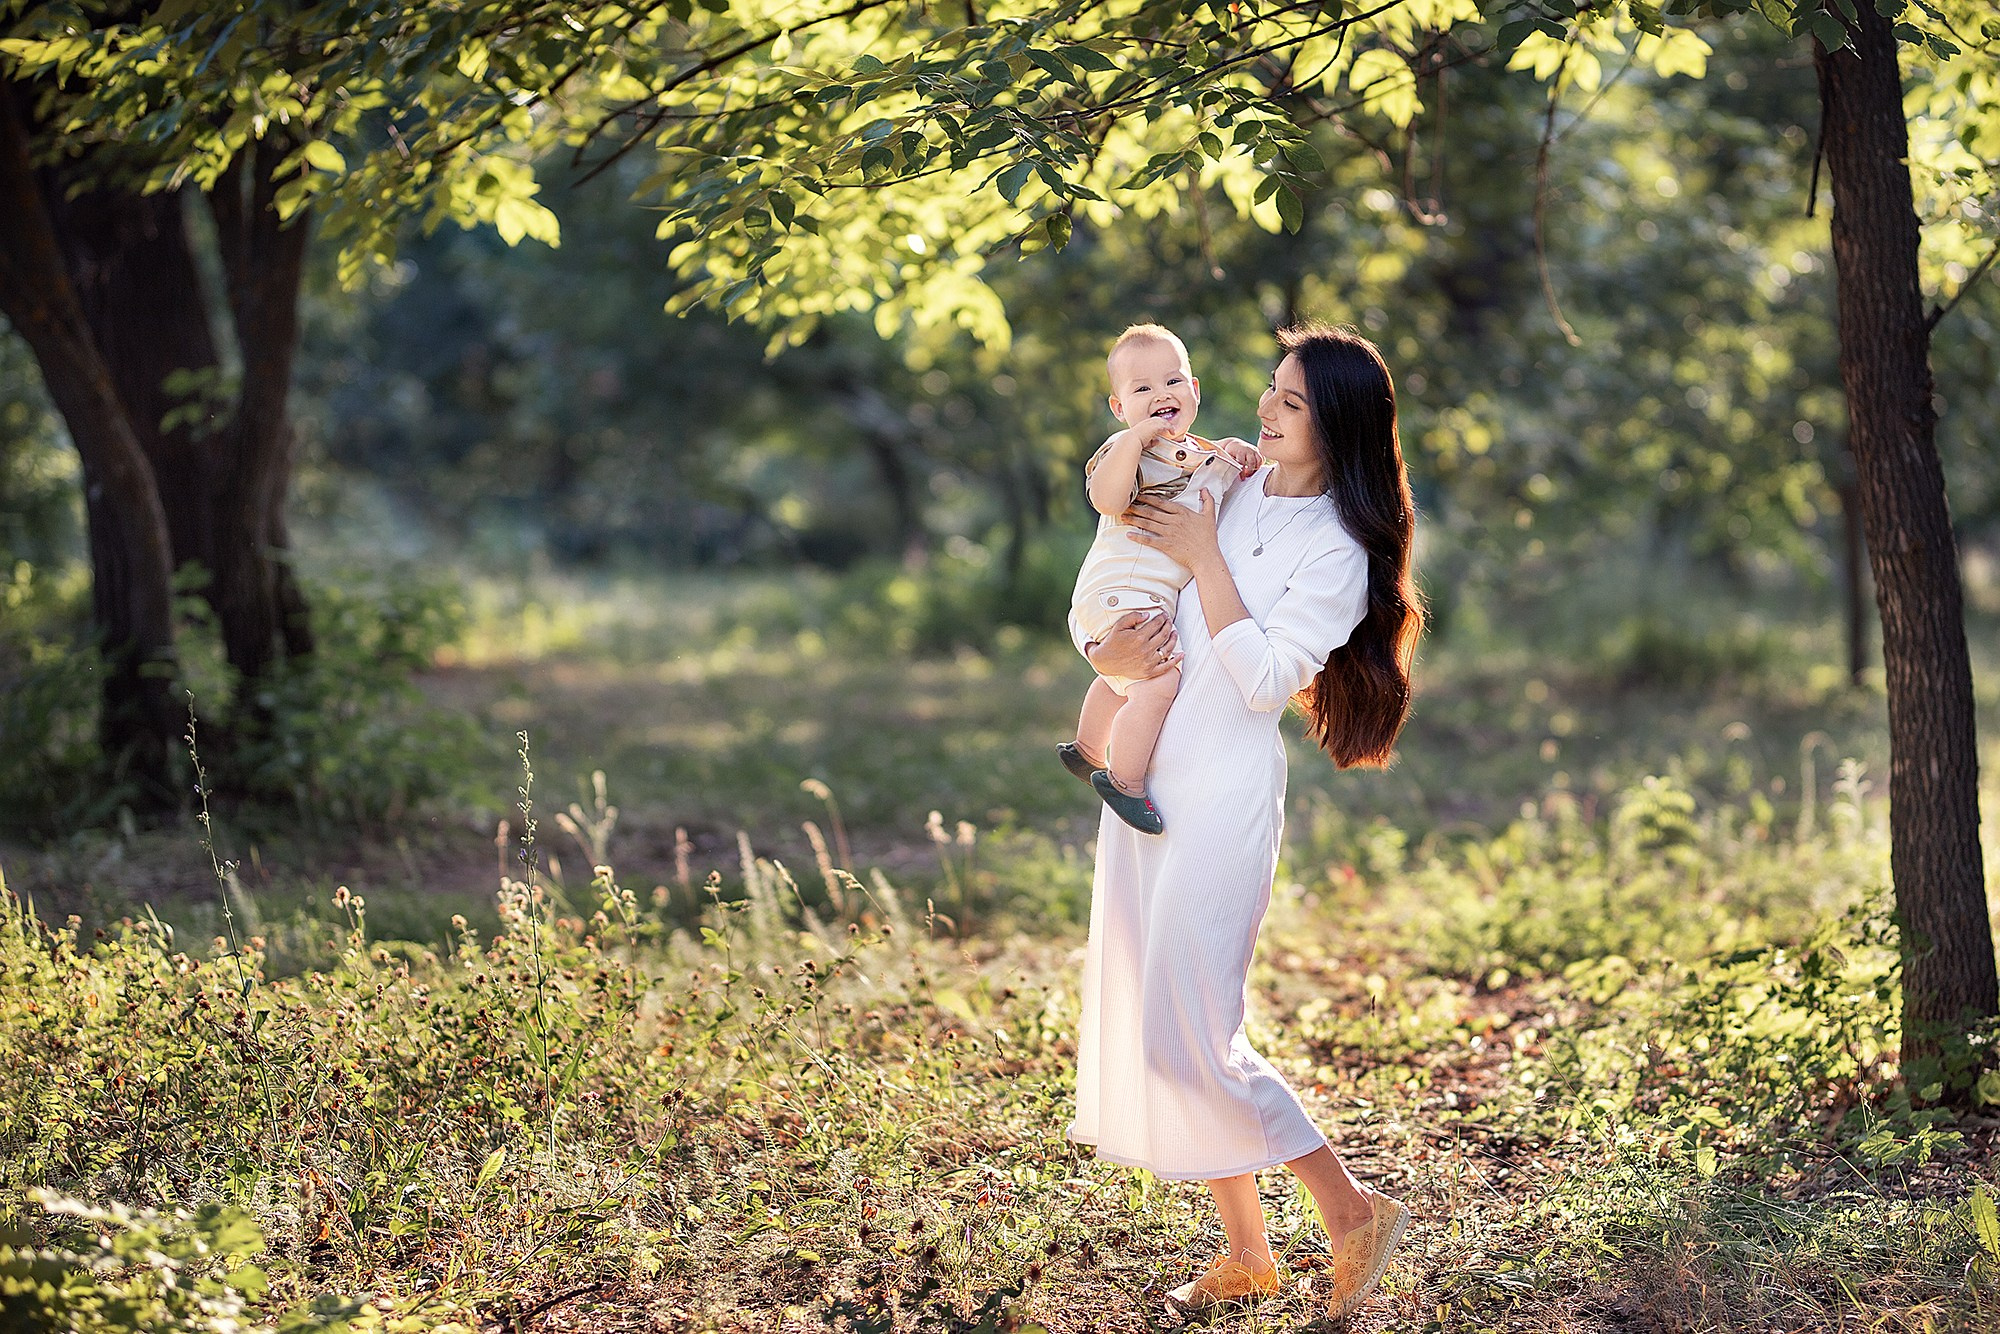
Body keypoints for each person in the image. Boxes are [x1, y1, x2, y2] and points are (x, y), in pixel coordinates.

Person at [1065, 323, 1425, 1321]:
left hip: (1222, 789)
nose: (1263, 410)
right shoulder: (1231, 481)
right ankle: (1246, 1253)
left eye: (1291, 402)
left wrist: (1202, 563)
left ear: (1338, 426)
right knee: (1164, 1018)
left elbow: (1265, 677)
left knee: (1193, 1035)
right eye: (1269, 389)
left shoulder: (1340, 550)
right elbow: (1132, 556)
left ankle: (1349, 1211)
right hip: (1150, 775)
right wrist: (1122, 641)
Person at [1058, 324, 1261, 834]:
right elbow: (1105, 499)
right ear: (1119, 407)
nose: (1159, 396)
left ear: (1193, 392)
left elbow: (1224, 479)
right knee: (1159, 677)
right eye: (1141, 389)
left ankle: (1085, 748)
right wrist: (1133, 440)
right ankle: (1124, 781)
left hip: (1137, 594)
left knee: (1127, 675)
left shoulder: (1196, 451)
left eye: (1171, 382)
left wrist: (1238, 452)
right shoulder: (1126, 450)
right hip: (1119, 589)